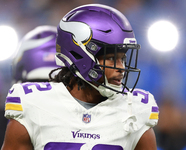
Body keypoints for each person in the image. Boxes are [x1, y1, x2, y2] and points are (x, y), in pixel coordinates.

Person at [1, 4, 159, 150]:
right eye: (112, 58)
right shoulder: (34, 104)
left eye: (123, 59)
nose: (121, 68)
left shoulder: (135, 110)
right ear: (81, 55)